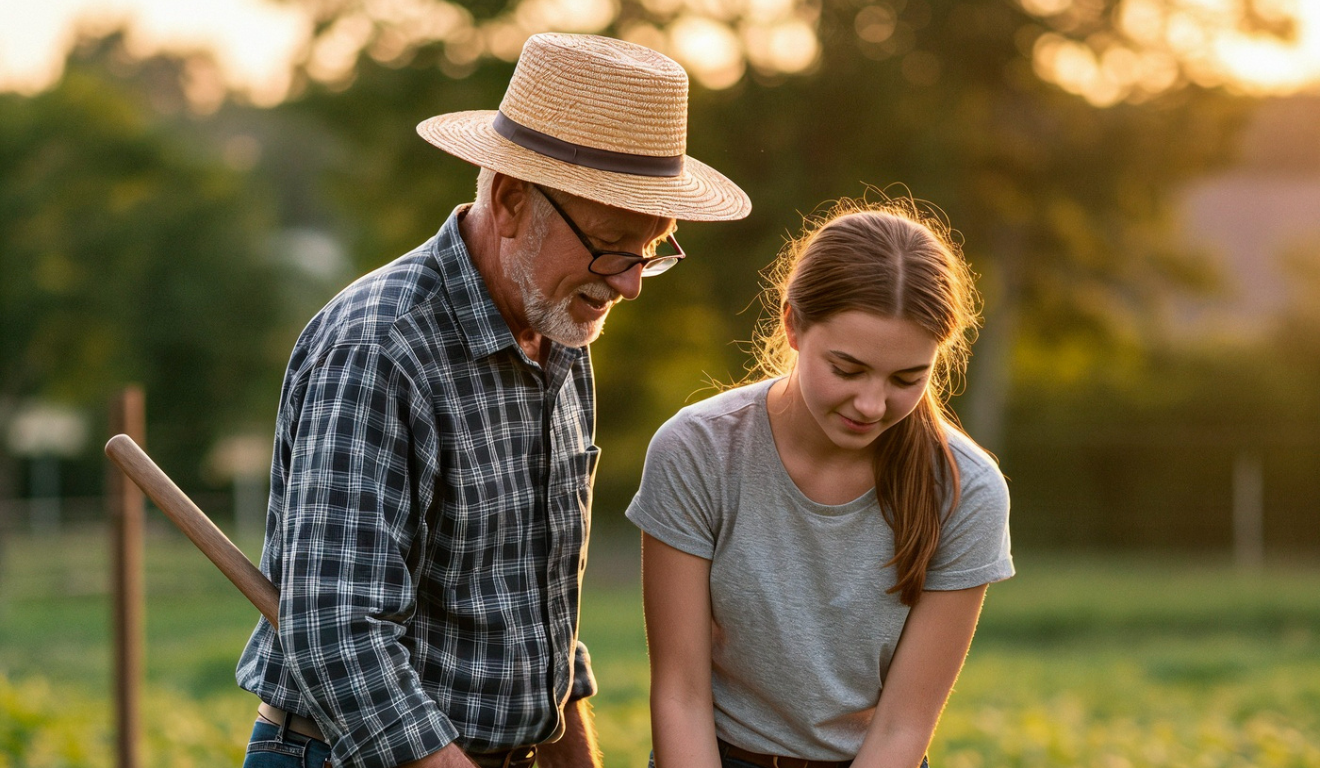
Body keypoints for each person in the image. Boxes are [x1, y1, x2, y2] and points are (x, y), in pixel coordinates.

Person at [236, 33, 751, 768]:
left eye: (651, 250)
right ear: (510, 201)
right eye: (611, 246)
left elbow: (537, 614)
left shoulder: (559, 332)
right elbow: (337, 630)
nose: (631, 282)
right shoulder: (379, 349)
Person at [627, 198, 1013, 768]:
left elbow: (903, 726)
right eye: (848, 369)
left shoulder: (966, 490)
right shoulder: (699, 450)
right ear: (793, 325)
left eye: (908, 378)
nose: (872, 403)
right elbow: (681, 695)